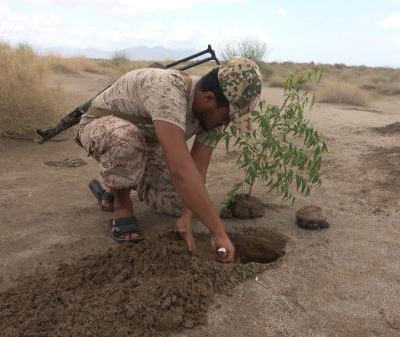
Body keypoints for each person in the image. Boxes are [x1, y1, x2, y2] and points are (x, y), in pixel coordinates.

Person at [75, 57, 262, 263]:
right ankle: (121, 205)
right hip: (102, 128)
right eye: (228, 116)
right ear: (208, 98)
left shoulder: (213, 114)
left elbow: (197, 169)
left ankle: (114, 186)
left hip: (148, 141)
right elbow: (180, 169)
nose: (226, 123)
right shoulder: (169, 91)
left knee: (176, 203)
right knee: (126, 140)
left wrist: (187, 215)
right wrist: (218, 232)